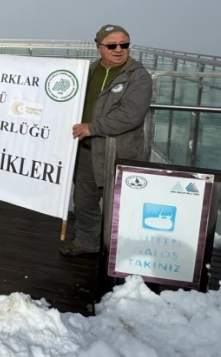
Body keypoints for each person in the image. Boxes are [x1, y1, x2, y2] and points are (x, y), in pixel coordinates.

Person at [61, 24, 153, 257]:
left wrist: (93, 127)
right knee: (84, 202)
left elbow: (130, 115)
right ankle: (86, 242)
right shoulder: (88, 71)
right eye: (112, 45)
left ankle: (123, 251)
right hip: (86, 150)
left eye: (124, 45)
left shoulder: (138, 76)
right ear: (99, 47)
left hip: (120, 153)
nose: (119, 50)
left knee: (122, 206)